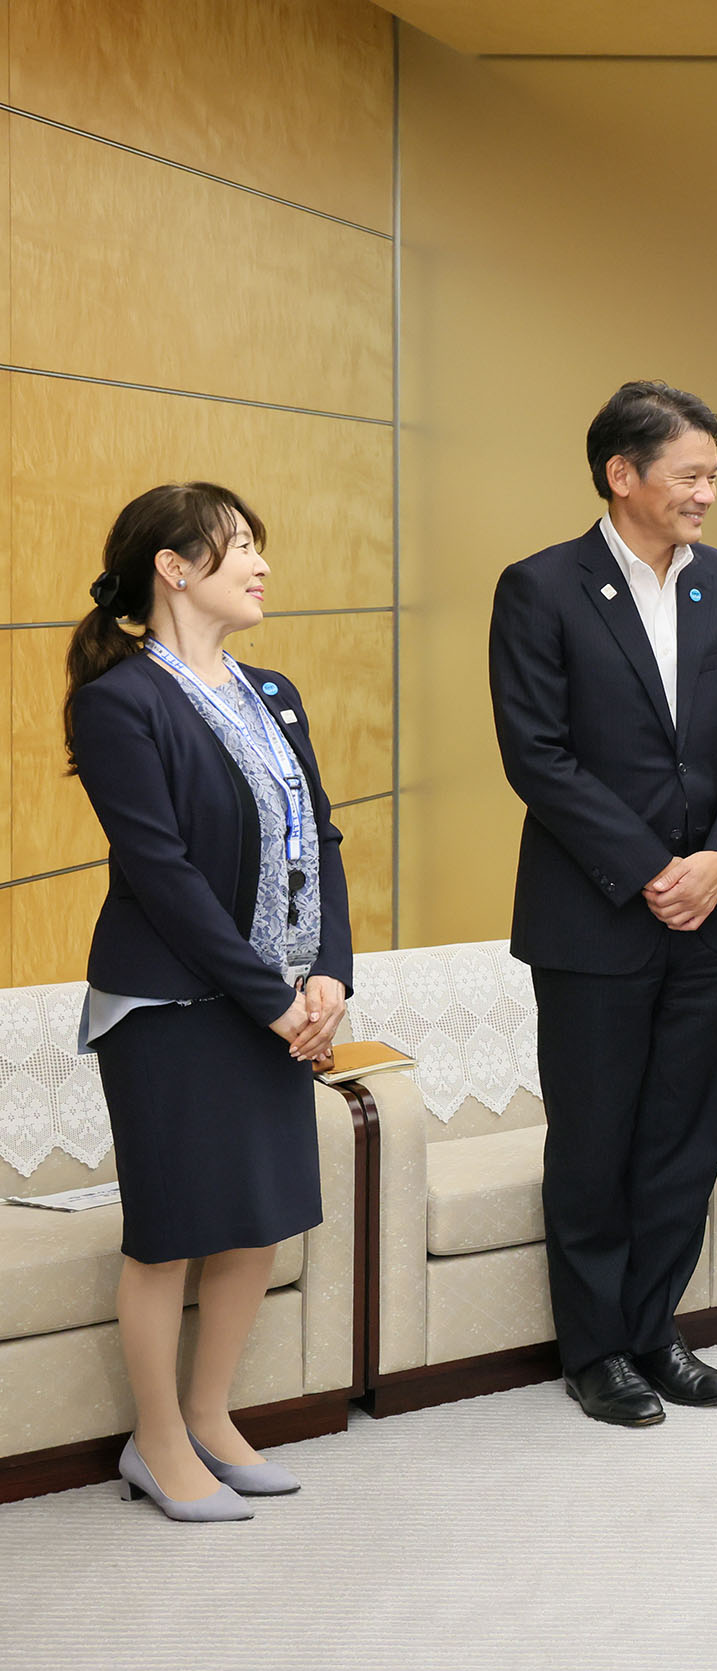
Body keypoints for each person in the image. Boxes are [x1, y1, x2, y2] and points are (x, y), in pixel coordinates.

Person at [488, 380, 717, 1426]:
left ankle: (657, 1329)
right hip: (594, 914)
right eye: (691, 473)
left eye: (712, 474)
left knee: (685, 1133)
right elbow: (539, 756)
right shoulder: (540, 587)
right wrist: (655, 868)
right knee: (596, 1137)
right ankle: (597, 1348)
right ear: (624, 475)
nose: (708, 492)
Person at [65, 483, 353, 1521]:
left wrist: (329, 975)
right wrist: (272, 1002)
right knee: (172, 1229)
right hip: (171, 1005)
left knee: (256, 1223)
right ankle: (155, 1443)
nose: (261, 567)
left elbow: (319, 840)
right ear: (173, 569)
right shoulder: (117, 701)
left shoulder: (272, 691)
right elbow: (163, 872)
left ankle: (211, 1415)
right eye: (239, 550)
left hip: (275, 999)